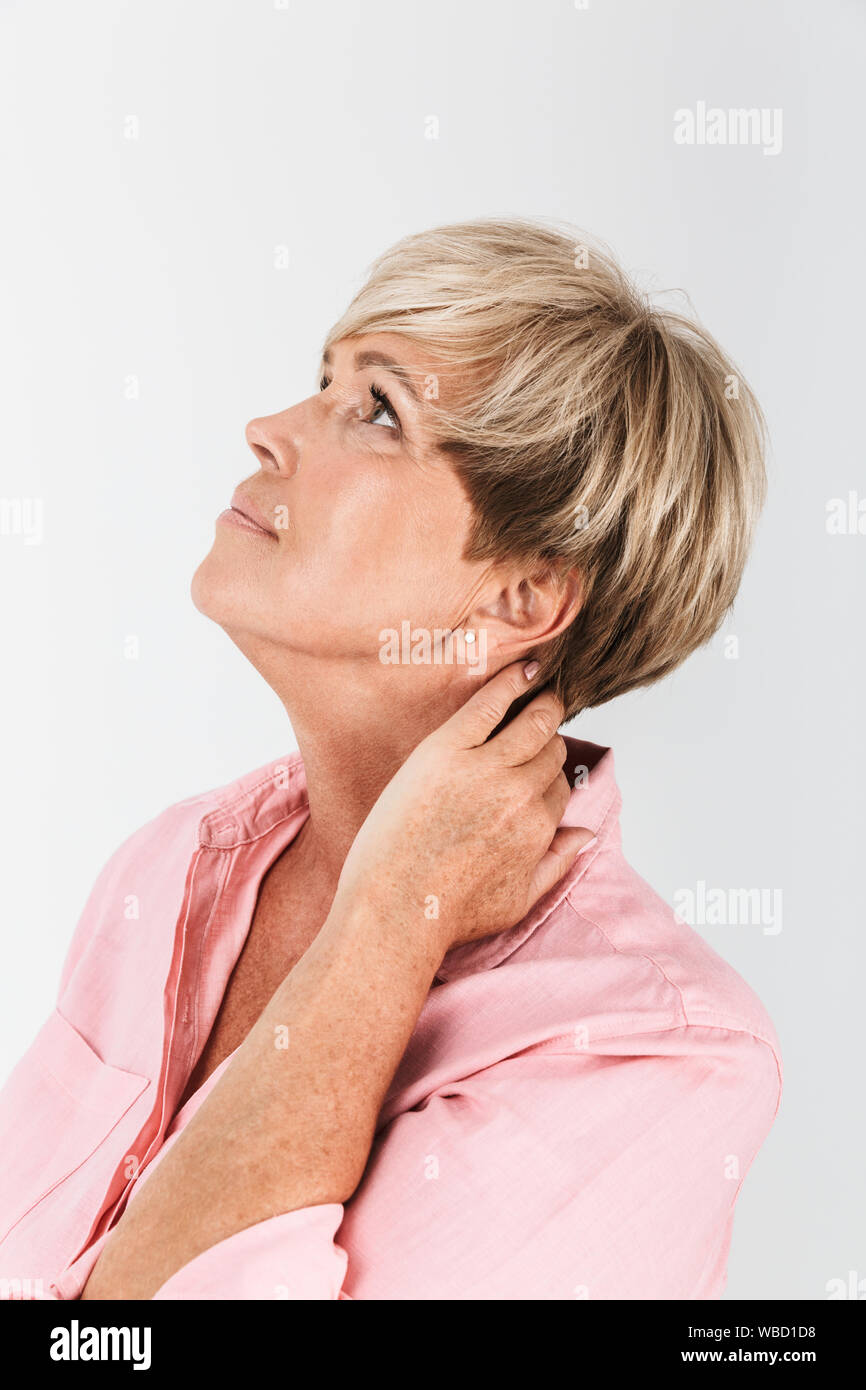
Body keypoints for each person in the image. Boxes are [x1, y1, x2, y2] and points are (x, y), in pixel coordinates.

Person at [0, 219, 781, 1301]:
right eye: (319, 381)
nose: (267, 429)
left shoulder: (656, 1052)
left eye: (376, 409)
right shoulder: (174, 868)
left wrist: (393, 916)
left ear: (519, 596)